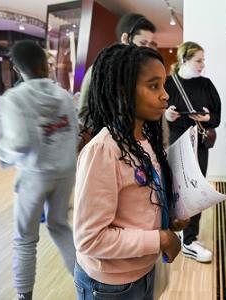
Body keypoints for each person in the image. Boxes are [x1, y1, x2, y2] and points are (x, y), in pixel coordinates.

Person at [73, 43, 188, 300]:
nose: (165, 95)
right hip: (109, 286)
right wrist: (160, 238)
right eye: (153, 86)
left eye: (164, 85)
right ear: (123, 92)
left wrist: (168, 220)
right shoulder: (103, 151)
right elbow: (90, 239)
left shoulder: (145, 139)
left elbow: (140, 202)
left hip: (142, 271)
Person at [0, 40, 78, 300]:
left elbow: (18, 143)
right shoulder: (63, 94)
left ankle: (24, 296)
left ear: (18, 69)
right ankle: (88, 284)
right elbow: (74, 132)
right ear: (45, 64)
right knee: (60, 227)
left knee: (25, 239)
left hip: (34, 175)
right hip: (65, 171)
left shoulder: (15, 98)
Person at [165, 41, 221, 263]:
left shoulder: (206, 85)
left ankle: (189, 240)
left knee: (196, 190)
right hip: (173, 143)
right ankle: (171, 232)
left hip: (198, 145)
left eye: (203, 60)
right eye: (199, 60)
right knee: (172, 189)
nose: (202, 64)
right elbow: (155, 113)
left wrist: (207, 119)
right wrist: (166, 116)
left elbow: (217, 117)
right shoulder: (168, 84)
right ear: (184, 60)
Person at [77, 13, 156, 124]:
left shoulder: (138, 69)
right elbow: (83, 113)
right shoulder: (101, 69)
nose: (146, 49)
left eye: (148, 44)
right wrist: (114, 128)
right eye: (143, 43)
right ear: (125, 38)